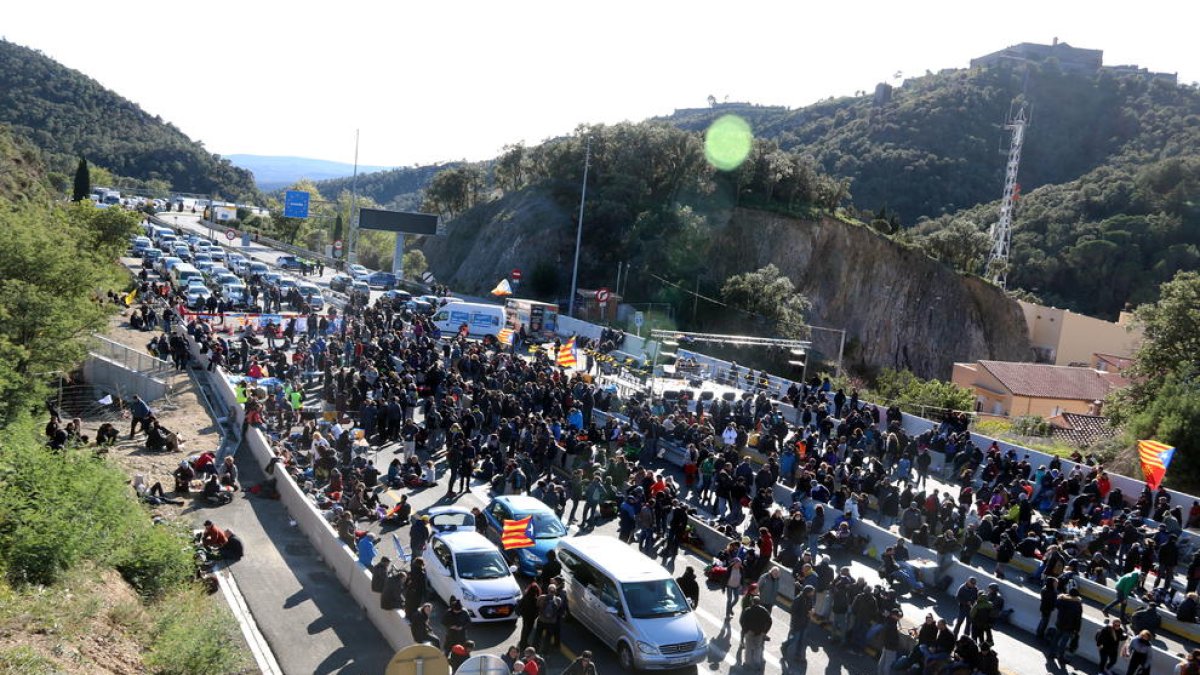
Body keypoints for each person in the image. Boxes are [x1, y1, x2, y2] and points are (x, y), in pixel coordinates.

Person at [1051, 587, 1084, 664]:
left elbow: (1057, 605)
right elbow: (1078, 619)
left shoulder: (1061, 600)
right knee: (1064, 642)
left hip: (1060, 623)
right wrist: (1077, 630)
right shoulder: (1077, 604)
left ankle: (1052, 653)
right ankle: (1061, 657)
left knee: (1056, 639)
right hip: (1070, 627)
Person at [740, 595, 772, 670]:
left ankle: (747, 663)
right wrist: (765, 632)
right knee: (758, 648)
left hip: (749, 632)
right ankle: (757, 664)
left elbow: (742, 621)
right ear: (759, 603)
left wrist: (745, 630)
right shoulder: (763, 610)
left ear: (752, 602)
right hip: (759, 633)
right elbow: (770, 621)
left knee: (748, 648)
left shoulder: (748, 610)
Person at [785, 584, 815, 662]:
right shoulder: (798, 599)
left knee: (801, 641)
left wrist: (811, 611)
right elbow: (792, 611)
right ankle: (785, 646)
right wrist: (797, 620)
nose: (813, 593)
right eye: (812, 592)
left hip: (805, 623)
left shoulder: (810, 598)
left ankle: (798, 656)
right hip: (797, 623)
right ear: (808, 592)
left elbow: (811, 606)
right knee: (795, 639)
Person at [534, 585, 563, 653]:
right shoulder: (558, 600)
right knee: (548, 637)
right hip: (551, 622)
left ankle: (535, 650)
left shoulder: (541, 597)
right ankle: (545, 652)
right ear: (555, 591)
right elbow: (558, 608)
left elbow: (537, 605)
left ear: (548, 590)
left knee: (538, 635)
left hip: (541, 620)